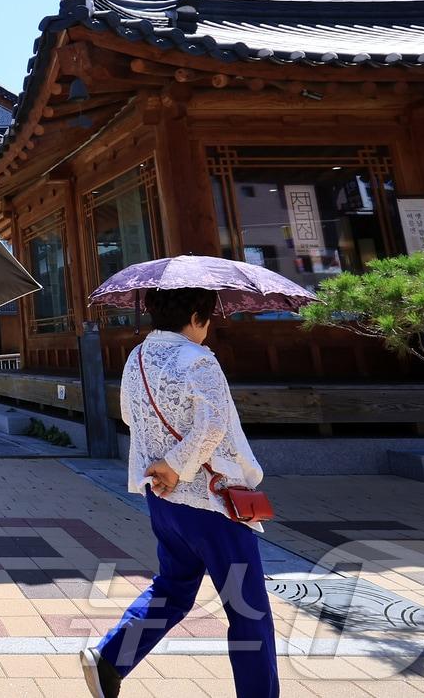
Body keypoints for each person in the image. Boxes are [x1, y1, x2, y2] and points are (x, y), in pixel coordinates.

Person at [80, 287, 278, 698]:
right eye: (207, 319)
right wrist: (177, 464)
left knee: (173, 587)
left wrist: (165, 466)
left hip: (165, 499)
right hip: (213, 502)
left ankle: (111, 658)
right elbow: (213, 426)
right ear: (195, 316)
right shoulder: (199, 359)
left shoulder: (137, 358)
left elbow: (130, 416)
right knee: (248, 609)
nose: (208, 328)